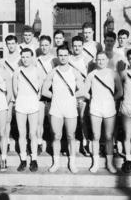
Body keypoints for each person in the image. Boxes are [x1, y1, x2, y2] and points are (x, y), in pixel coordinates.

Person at [42, 45, 84, 173]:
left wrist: (71, 97)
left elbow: (82, 90)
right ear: (58, 56)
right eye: (61, 55)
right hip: (56, 107)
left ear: (69, 56)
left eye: (65, 55)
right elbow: (44, 91)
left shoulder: (74, 71)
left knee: (71, 135)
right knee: (56, 135)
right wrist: (56, 96)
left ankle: (72, 162)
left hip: (70, 107)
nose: (63, 57)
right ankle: (56, 162)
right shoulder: (53, 72)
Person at [84, 52, 123, 173]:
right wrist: (93, 99)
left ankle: (110, 164)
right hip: (95, 108)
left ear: (107, 60)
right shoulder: (92, 74)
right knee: (95, 136)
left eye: (103, 59)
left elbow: (120, 92)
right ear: (95, 60)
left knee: (109, 136)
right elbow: (85, 91)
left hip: (109, 108)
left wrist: (111, 99)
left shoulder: (113, 74)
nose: (101, 61)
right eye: (98, 59)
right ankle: (95, 163)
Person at [13, 48, 44, 172]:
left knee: (33, 133)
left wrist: (34, 99)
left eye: (28, 57)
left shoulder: (37, 70)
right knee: (21, 133)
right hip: (21, 103)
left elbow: (40, 88)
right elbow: (15, 89)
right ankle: (23, 159)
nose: (25, 59)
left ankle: (34, 159)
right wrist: (20, 98)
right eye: (23, 57)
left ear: (32, 57)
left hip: (33, 103)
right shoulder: (17, 71)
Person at [70, 35, 92, 156]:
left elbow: (90, 77)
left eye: (79, 46)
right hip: (71, 94)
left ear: (82, 46)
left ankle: (85, 143)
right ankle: (69, 144)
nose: (77, 48)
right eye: (75, 46)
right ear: (72, 47)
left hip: (83, 94)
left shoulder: (88, 60)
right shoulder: (68, 59)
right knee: (70, 119)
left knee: (83, 119)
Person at [36, 35, 56, 154]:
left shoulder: (55, 60)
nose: (44, 47)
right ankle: (39, 143)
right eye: (42, 45)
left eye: (46, 45)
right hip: (39, 93)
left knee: (53, 120)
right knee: (39, 121)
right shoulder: (36, 60)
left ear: (50, 45)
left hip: (51, 93)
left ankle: (54, 144)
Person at [2, 35, 21, 148]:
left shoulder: (21, 58)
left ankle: (22, 139)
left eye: (13, 43)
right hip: (8, 90)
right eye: (9, 44)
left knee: (22, 117)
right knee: (8, 118)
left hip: (20, 90)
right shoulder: (3, 60)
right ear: (6, 45)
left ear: (16, 44)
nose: (11, 46)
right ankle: (7, 140)